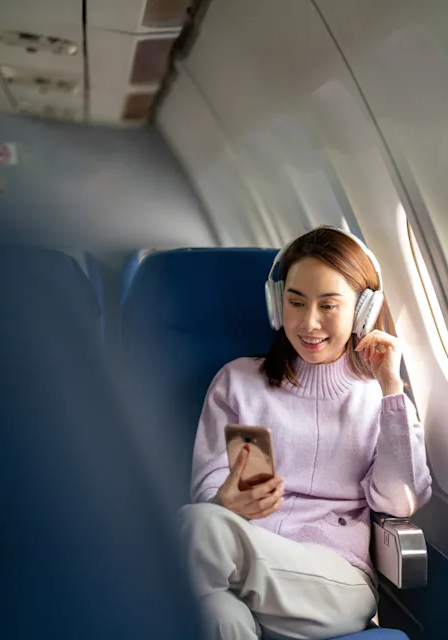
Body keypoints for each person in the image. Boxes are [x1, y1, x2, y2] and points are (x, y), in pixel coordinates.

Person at [179, 226, 433, 640]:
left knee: (198, 528)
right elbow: (208, 489)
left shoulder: (376, 399)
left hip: (332, 584)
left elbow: (399, 500)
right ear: (277, 306)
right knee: (219, 614)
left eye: (328, 306)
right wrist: (224, 500)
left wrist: (392, 388)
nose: (309, 323)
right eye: (295, 302)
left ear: (362, 313)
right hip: (241, 569)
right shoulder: (237, 382)